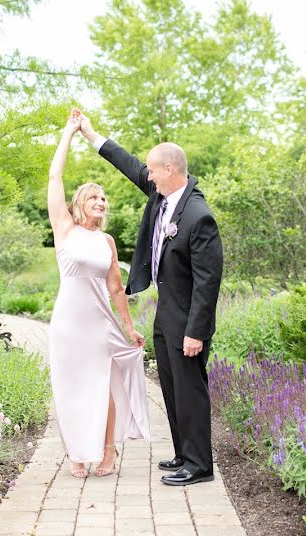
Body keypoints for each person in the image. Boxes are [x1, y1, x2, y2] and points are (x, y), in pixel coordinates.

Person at [78, 113, 223, 486]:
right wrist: (93, 136)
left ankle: (200, 466)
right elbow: (129, 165)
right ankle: (183, 454)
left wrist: (196, 331)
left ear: (170, 169)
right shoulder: (163, 195)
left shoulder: (198, 215)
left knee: (190, 388)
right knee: (172, 386)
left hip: (188, 316)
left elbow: (209, 282)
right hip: (166, 309)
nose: (149, 175)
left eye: (154, 170)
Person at [47, 109, 150, 479]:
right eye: (94, 197)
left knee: (103, 385)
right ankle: (77, 451)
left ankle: (108, 452)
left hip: (99, 323)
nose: (101, 202)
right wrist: (70, 134)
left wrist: (129, 327)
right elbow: (55, 175)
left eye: (104, 198)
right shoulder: (64, 228)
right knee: (70, 387)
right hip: (67, 323)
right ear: (79, 204)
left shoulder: (107, 241)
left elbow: (115, 288)